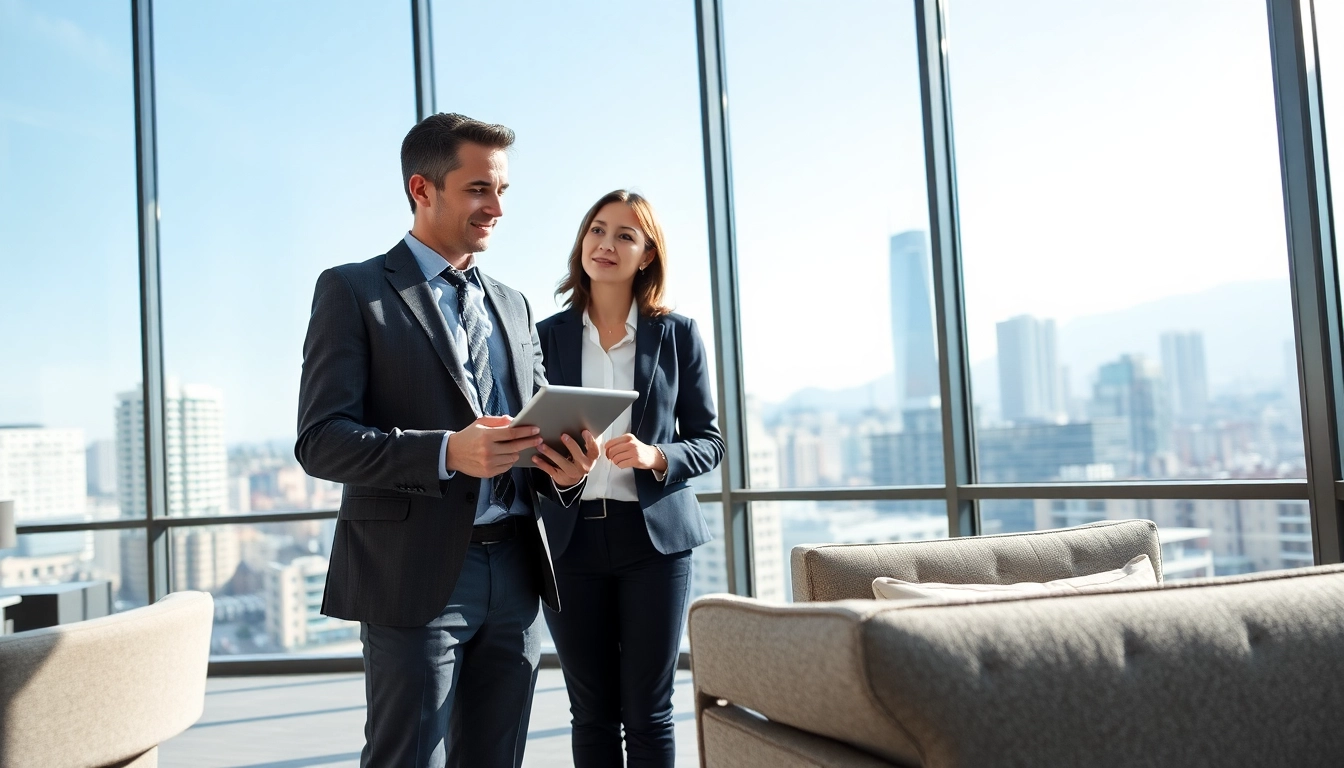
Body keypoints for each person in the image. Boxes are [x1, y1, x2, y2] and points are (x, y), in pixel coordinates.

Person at [295, 113, 599, 768]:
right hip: (417, 574)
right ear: (422, 189)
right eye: (478, 190)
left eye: (503, 192)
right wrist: (445, 451)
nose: (496, 208)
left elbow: (531, 436)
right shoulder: (353, 291)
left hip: (518, 572)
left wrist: (564, 472)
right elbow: (321, 440)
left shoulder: (514, 304)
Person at [535, 190, 725, 767]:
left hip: (655, 545)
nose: (606, 244)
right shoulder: (543, 338)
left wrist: (655, 456)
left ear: (647, 254)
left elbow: (710, 442)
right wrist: (562, 471)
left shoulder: (678, 334)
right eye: (597, 230)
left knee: (649, 710)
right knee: (591, 710)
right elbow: (527, 448)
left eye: (624, 235)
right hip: (571, 544)